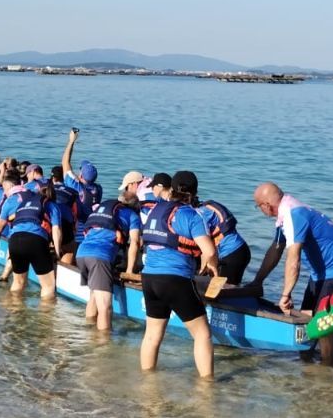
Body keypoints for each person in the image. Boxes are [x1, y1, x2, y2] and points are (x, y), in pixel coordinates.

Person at [250, 182, 333, 365]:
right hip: (322, 272)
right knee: (306, 317)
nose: (260, 210)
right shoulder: (287, 211)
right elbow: (276, 248)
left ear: (266, 205)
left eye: (258, 206)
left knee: (323, 322)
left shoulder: (294, 215)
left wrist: (286, 294)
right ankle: (307, 361)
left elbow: (294, 260)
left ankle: (327, 367)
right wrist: (257, 281)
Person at [138, 170, 218, 378]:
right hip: (175, 279)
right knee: (202, 334)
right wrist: (212, 267)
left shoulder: (155, 209)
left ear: (171, 188)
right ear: (194, 192)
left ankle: (148, 382)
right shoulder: (190, 214)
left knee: (152, 335)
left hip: (149, 278)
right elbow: (209, 251)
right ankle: (206, 387)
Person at [73, 178, 143, 333]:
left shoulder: (105, 209)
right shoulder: (132, 216)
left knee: (93, 296)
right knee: (105, 307)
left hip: (81, 254)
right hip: (99, 257)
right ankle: (102, 346)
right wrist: (130, 271)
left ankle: (89, 331)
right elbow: (135, 243)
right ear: (135, 206)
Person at [0, 171, 62, 300]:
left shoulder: (23, 204)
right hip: (35, 240)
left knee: (18, 282)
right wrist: (58, 254)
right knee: (48, 287)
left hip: (14, 241)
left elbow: (5, 225)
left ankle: (13, 312)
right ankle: (46, 319)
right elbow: (56, 230)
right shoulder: (51, 204)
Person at [173, 172, 251, 285]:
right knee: (228, 288)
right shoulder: (203, 207)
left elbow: (207, 252)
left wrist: (201, 272)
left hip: (230, 255)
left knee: (221, 292)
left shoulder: (197, 214)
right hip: (239, 250)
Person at [58, 128, 104, 238]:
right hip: (91, 230)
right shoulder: (99, 189)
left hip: (76, 231)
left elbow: (65, 162)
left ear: (81, 175)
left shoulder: (76, 186)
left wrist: (71, 141)